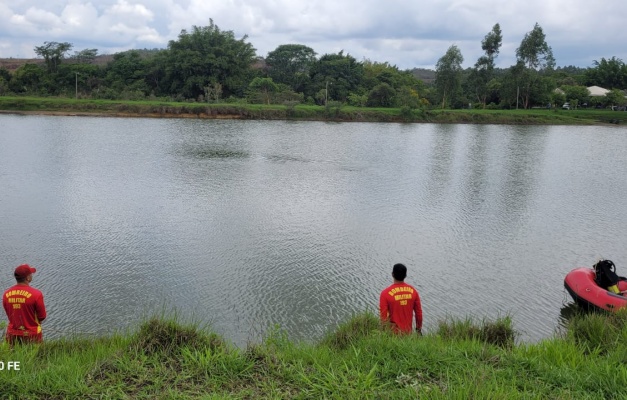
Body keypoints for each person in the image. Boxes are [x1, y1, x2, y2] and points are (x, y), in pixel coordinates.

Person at [3, 264, 47, 345]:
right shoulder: (36, 294)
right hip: (32, 335)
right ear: (28, 278)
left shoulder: (6, 294)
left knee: (13, 356)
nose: (32, 275)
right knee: (35, 356)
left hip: (12, 334)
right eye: (31, 274)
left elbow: (9, 313)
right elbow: (42, 316)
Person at [379, 263, 422, 334]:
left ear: (392, 274)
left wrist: (384, 333)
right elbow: (419, 313)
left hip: (392, 335)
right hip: (408, 335)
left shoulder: (385, 294)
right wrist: (418, 329)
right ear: (405, 275)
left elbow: (383, 317)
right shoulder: (413, 292)